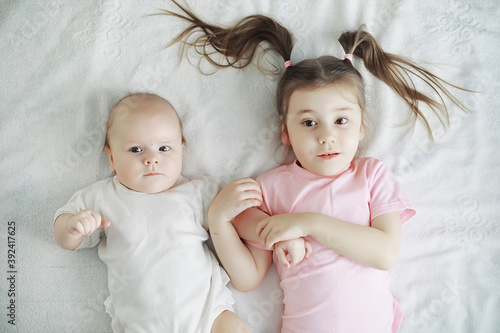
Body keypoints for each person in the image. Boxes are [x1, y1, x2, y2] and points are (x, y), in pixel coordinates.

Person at [164, 2, 470, 333]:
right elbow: (247, 278)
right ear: (285, 131)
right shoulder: (270, 188)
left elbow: (384, 253)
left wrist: (306, 223)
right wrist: (219, 220)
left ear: (361, 127)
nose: (326, 136)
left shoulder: (370, 176)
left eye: (341, 120)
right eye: (309, 122)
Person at [53, 93, 256, 333]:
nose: (152, 159)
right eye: (136, 149)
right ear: (111, 158)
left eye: (164, 148)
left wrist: (271, 232)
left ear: (181, 150)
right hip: (141, 324)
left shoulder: (197, 191)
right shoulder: (103, 197)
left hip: (208, 314)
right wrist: (71, 227)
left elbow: (240, 216)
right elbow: (63, 234)